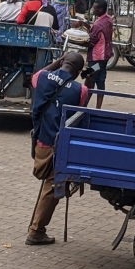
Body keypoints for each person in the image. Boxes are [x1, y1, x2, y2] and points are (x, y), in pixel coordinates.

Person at [26, 53, 90, 245]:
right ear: (79, 72)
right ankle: (36, 231)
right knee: (52, 187)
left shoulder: (42, 77)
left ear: (62, 62)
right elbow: (81, 113)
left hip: (40, 142)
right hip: (59, 146)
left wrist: (58, 61)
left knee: (48, 183)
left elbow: (37, 75)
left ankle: (37, 229)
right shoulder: (81, 90)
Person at [85, 0, 113, 110]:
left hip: (96, 57)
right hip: (105, 56)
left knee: (89, 78)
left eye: (94, 8)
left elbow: (91, 42)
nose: (92, 9)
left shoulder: (98, 25)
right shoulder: (108, 19)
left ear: (100, 9)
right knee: (100, 81)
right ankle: (98, 107)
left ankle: (84, 105)